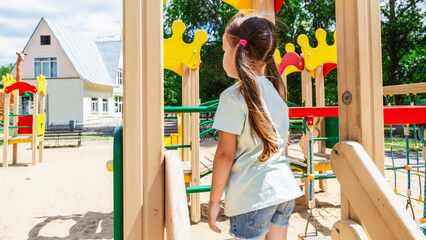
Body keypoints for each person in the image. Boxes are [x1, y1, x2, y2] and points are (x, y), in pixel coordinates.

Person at [208, 14, 303, 240]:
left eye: (224, 49)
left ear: (241, 51)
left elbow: (224, 154)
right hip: (283, 190)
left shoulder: (233, 97)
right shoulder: (275, 93)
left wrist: (214, 202)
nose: (223, 55)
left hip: (253, 196)